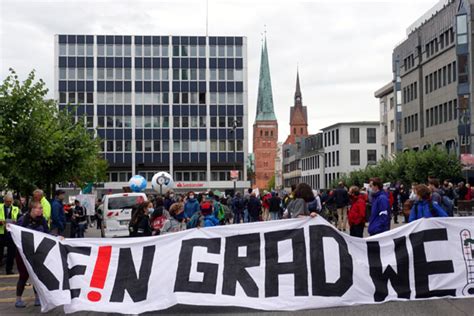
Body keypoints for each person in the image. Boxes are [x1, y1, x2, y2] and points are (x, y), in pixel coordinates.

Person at [15, 200, 50, 308]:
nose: (41, 210)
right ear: (32, 209)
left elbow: (47, 234)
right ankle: (18, 299)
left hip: (36, 252)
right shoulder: (23, 220)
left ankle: (37, 298)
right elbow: (16, 234)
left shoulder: (42, 220)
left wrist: (57, 238)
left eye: (41, 208)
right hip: (23, 253)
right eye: (39, 208)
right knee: (24, 275)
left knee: (36, 276)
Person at [0, 193, 19, 274]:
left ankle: (9, 269)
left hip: (11, 233)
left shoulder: (16, 208)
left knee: (11, 252)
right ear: (4, 200)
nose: (9, 203)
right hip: (1, 232)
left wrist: (16, 222)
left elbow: (19, 219)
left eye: (10, 202)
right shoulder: (0, 207)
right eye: (7, 201)